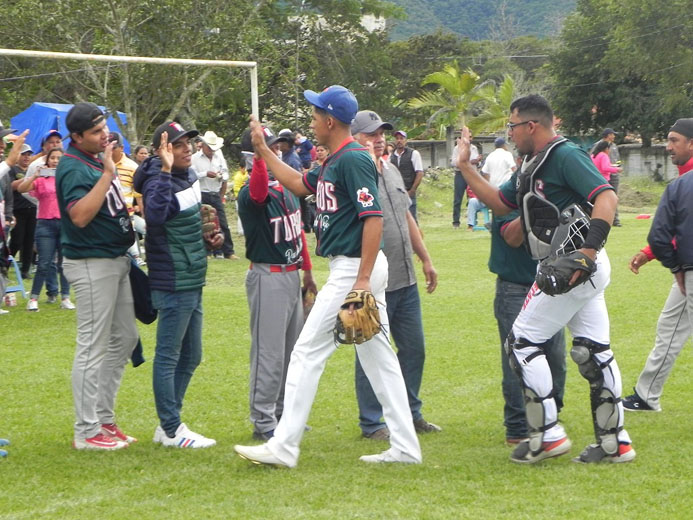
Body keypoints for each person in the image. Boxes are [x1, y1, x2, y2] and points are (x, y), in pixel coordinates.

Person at [234, 85, 421, 467]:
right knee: (379, 360)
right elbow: (302, 185)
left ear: (330, 120)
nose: (312, 119)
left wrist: (363, 280)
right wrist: (265, 151)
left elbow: (374, 219)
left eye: (316, 113)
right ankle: (406, 447)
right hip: (356, 265)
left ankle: (283, 446)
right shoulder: (336, 158)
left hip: (354, 266)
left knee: (306, 352)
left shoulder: (352, 158)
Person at [457, 94, 634, 464]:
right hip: (573, 266)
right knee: (594, 351)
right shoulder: (532, 164)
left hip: (572, 265)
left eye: (512, 125)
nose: (510, 131)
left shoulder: (565, 155)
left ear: (531, 126)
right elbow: (503, 204)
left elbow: (606, 197)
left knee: (521, 343)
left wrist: (586, 252)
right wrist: (465, 167)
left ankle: (548, 435)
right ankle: (614, 442)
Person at [351, 110, 440, 440]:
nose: (379, 140)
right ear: (355, 138)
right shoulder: (354, 173)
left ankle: (410, 412)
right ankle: (373, 422)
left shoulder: (391, 170)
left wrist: (426, 259)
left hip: (406, 279)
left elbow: (406, 218)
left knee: (414, 349)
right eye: (371, 134)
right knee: (372, 351)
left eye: (382, 134)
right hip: (375, 280)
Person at [134, 121, 223, 449]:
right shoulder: (161, 177)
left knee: (192, 354)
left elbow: (183, 223)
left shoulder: (185, 176)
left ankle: (169, 423)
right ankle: (171, 429)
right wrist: (164, 170)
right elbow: (155, 216)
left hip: (192, 276)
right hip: (172, 281)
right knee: (169, 355)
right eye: (179, 144)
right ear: (163, 149)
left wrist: (209, 238)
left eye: (189, 142)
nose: (188, 148)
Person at [56, 102, 138, 450]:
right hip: (91, 262)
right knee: (92, 346)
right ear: (76, 137)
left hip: (113, 259)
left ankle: (103, 419)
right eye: (95, 131)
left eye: (104, 127)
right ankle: (86, 430)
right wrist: (107, 175)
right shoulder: (75, 165)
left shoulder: (93, 158)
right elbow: (79, 216)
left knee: (126, 337)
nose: (104, 135)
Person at [237, 126, 317, 441]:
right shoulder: (249, 190)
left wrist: (307, 270)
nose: (276, 149)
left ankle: (283, 413)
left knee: (290, 352)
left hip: (290, 273)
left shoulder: (285, 188)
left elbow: (298, 232)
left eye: (276, 145)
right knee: (269, 354)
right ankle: (263, 419)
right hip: (267, 275)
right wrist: (259, 158)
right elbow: (257, 193)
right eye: (268, 146)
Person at [624, 118, 693, 412]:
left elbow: (667, 233)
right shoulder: (681, 182)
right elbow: (677, 231)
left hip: (687, 269)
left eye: (674, 140)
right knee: (669, 326)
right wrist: (649, 253)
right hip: (685, 270)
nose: (668, 147)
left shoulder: (681, 185)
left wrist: (677, 268)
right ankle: (646, 394)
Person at [488, 209, 566, 443]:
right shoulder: (507, 196)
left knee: (556, 358)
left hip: (549, 286)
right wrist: (531, 206)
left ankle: (550, 415)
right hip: (514, 289)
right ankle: (518, 426)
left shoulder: (555, 192)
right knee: (518, 362)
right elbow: (512, 238)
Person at [17, 148, 75, 311]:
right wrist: (35, 175)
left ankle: (65, 297)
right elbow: (22, 189)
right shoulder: (42, 178)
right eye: (53, 158)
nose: (56, 161)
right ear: (47, 160)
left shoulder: (67, 178)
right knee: (44, 262)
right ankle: (34, 298)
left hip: (64, 224)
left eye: (59, 158)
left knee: (65, 264)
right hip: (45, 224)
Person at [191, 130, 237, 260]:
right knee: (204, 223)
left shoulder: (219, 157)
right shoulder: (195, 158)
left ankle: (228, 251)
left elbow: (226, 173)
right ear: (204, 146)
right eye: (210, 148)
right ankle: (207, 252)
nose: (212, 151)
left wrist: (222, 176)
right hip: (202, 193)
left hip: (215, 192)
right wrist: (205, 173)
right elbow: (192, 175)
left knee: (222, 222)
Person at [109, 133, 146, 265]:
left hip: (126, 215)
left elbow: (139, 195)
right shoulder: (100, 164)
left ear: (122, 148)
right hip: (106, 217)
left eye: (114, 147)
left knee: (129, 250)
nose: (110, 150)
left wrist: (143, 214)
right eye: (107, 146)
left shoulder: (132, 167)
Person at [8, 144, 36, 279]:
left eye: (29, 154)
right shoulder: (12, 170)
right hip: (18, 209)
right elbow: (10, 186)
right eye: (24, 154)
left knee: (29, 240)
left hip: (33, 208)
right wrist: (28, 179)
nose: (27, 157)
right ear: (18, 155)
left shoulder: (33, 168)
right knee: (16, 240)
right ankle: (5, 265)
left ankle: (26, 269)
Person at [391, 130, 424, 222]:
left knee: (412, 219)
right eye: (397, 138)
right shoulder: (391, 155)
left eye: (401, 138)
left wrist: (412, 190)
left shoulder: (414, 154)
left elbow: (420, 173)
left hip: (409, 190)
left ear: (406, 140)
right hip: (395, 192)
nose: (399, 141)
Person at [591, 128, 622, 226]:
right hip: (605, 174)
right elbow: (598, 162)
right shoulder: (598, 146)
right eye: (613, 134)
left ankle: (615, 219)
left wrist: (617, 166)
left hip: (613, 174)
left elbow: (617, 159)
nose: (614, 136)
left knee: (614, 197)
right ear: (608, 135)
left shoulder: (614, 146)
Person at [451, 132, 480, 228]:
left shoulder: (474, 148)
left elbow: (476, 162)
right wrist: (465, 162)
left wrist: (477, 161)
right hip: (460, 173)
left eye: (471, 137)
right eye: (468, 137)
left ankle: (472, 222)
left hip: (471, 174)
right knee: (458, 199)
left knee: (472, 198)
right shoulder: (457, 148)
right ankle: (456, 222)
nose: (470, 138)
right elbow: (454, 162)